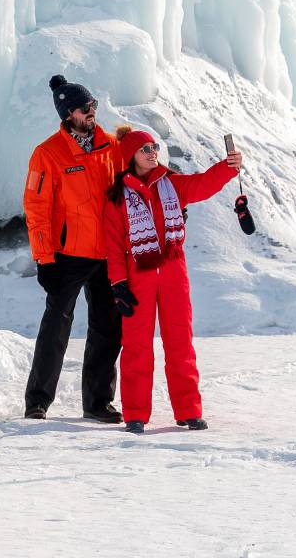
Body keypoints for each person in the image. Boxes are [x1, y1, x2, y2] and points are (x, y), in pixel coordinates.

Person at [100, 125, 242, 434]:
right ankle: (135, 413)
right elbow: (112, 246)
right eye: (145, 149)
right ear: (131, 157)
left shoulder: (172, 185)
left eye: (154, 147)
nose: (153, 153)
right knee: (136, 346)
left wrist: (226, 168)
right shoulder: (117, 199)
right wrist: (118, 284)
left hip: (174, 274)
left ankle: (188, 410)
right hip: (138, 277)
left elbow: (203, 185)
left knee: (180, 343)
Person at [21, 74, 124, 423]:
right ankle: (37, 401)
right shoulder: (47, 153)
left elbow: (133, 189)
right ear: (68, 114)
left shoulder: (111, 146)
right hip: (68, 256)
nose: (92, 111)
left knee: (108, 330)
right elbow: (36, 209)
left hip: (108, 253)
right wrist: (44, 258)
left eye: (93, 104)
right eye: (85, 107)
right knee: (55, 329)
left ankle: (97, 402)